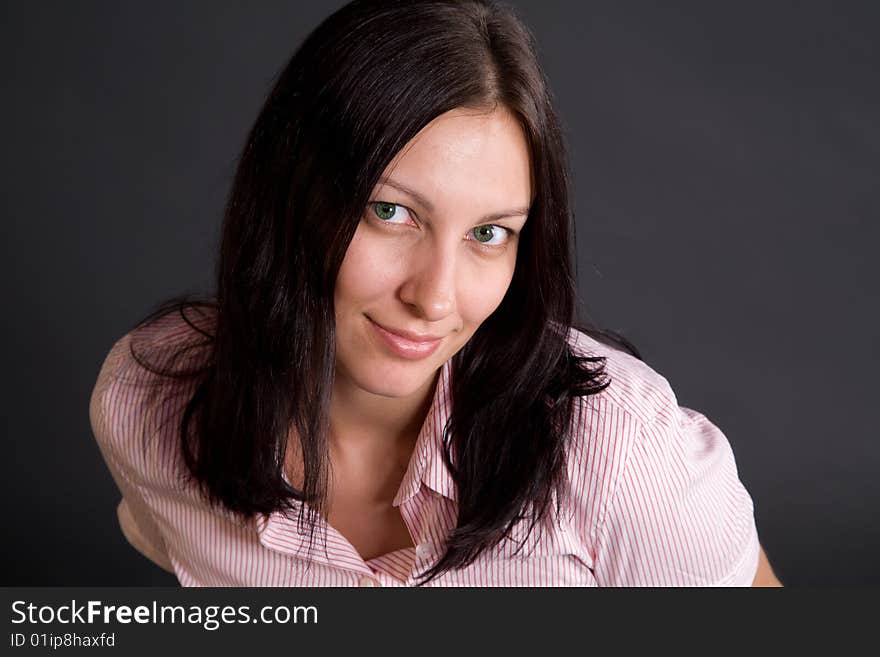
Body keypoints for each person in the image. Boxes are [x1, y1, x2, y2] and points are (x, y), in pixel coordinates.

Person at [89, 0, 781, 587]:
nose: (436, 297)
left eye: (489, 232)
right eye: (390, 212)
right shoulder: (146, 407)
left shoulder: (627, 457)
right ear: (291, 197)